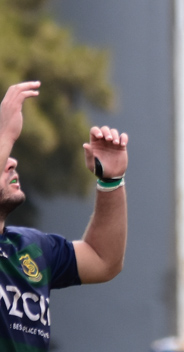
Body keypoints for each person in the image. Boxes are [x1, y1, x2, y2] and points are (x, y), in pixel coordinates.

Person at [0, 81, 129, 352]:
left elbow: (103, 259)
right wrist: (4, 134)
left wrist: (111, 181)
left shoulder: (31, 247)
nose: (11, 161)